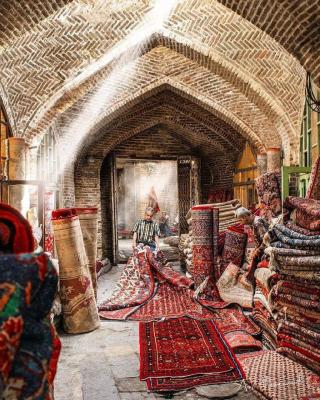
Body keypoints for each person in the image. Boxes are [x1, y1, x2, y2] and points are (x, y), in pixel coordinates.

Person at [235, 207, 269, 282]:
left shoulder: (257, 223)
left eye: (240, 220)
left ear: (244, 217)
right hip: (264, 249)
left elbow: (266, 240)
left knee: (256, 265)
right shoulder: (253, 223)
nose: (239, 223)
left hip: (268, 248)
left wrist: (258, 250)